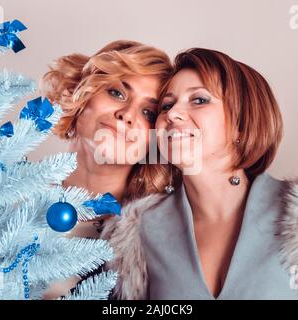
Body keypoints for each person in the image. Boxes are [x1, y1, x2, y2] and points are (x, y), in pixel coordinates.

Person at [102, 48, 298, 299]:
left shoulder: (291, 215)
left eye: (199, 100)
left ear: (241, 123)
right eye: (166, 105)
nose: (172, 114)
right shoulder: (138, 234)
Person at [40, 40, 173, 299]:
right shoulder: (12, 197)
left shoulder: (161, 237)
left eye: (148, 112)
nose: (127, 114)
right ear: (81, 95)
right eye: (116, 93)